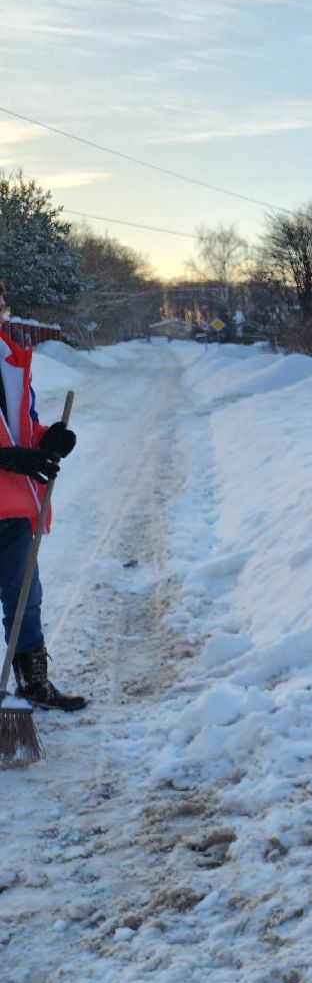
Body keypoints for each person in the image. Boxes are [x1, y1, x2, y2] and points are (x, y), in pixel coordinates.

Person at [0, 281, 82, 712]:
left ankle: (33, 684)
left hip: (11, 506)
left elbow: (20, 429)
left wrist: (48, 439)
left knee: (24, 598)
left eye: (1, 303)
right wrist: (6, 457)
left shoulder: (9, 361)